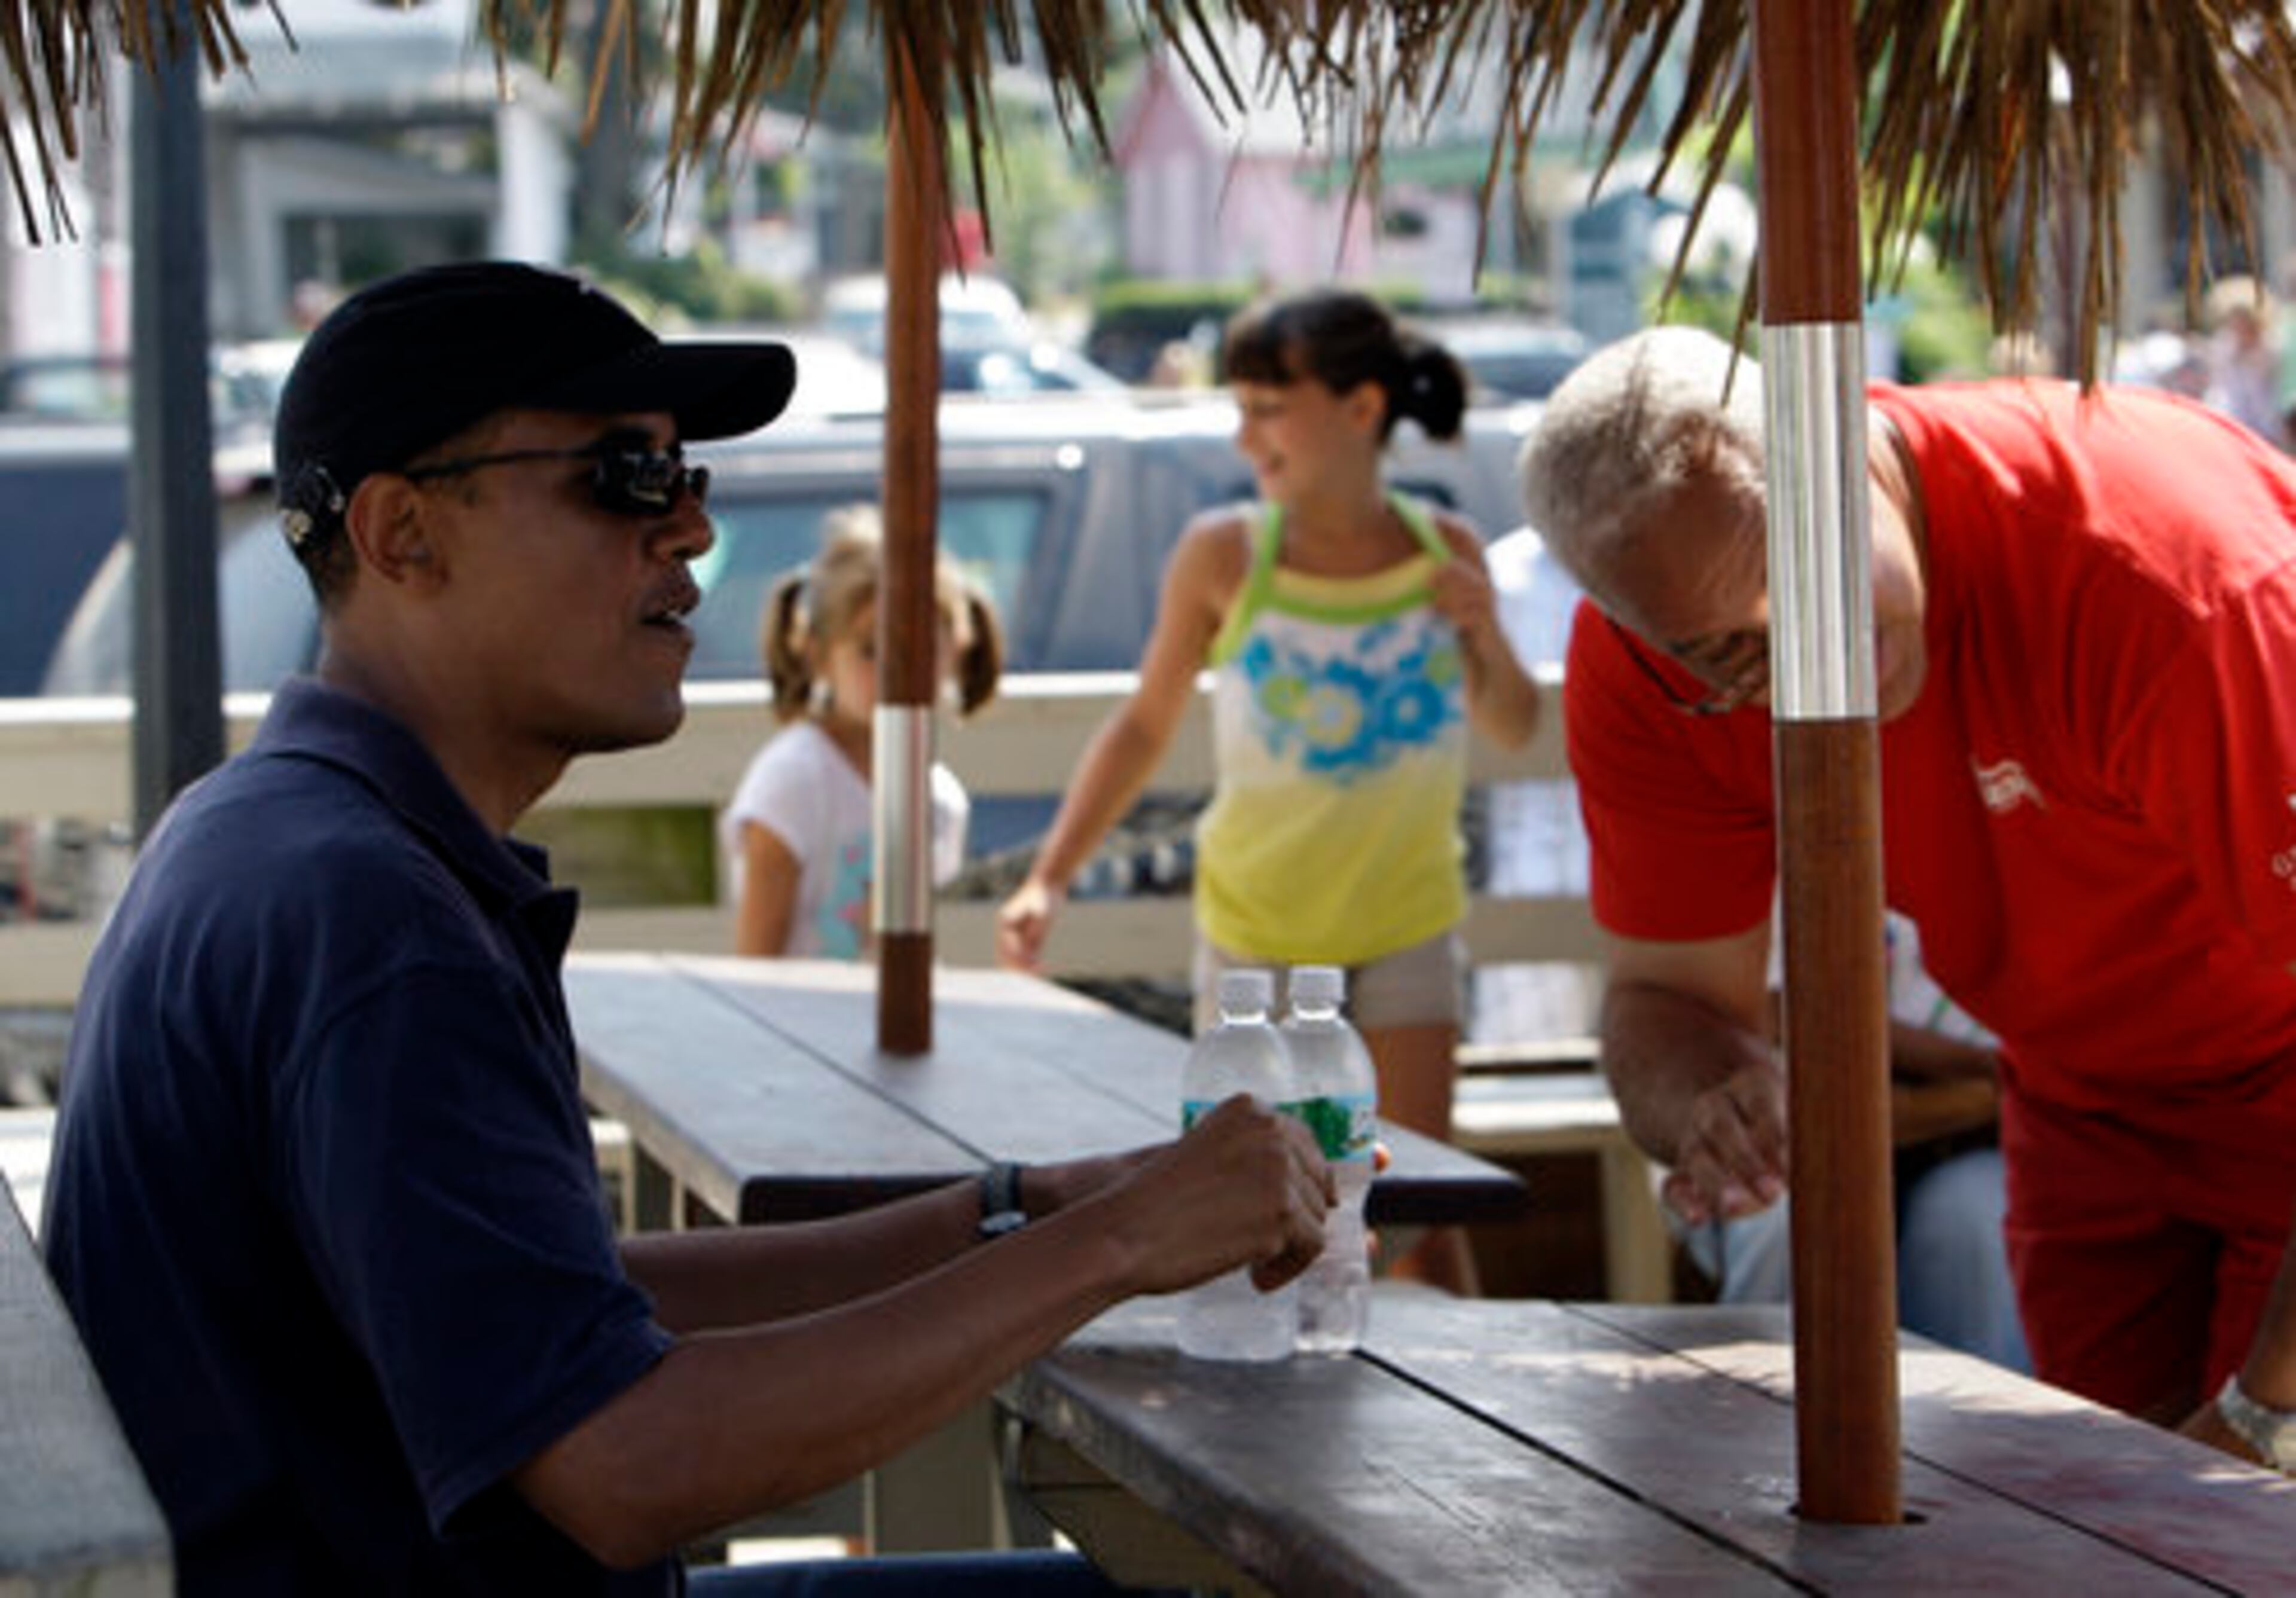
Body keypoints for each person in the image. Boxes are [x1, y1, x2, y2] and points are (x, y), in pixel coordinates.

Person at [39, 259, 1335, 1596]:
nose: (692, 532)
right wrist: (1113, 1247)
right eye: (623, 477)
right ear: (402, 534)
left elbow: (568, 1297)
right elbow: (623, 1466)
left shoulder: (281, 830)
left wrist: (1015, 1211)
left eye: (688, 478)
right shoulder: (371, 921)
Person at [1517, 322, 2296, 1471]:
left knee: (2242, 1523)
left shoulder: (2173, 580)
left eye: (1816, 581)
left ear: (1848, 448)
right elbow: (1665, 994)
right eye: (1732, 652)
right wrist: (1711, 1099)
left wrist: (2268, 1413)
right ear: (1639, 635)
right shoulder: (1642, 676)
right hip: (2079, 1095)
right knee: (2113, 1516)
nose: (1808, 663)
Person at [994, 288, 1541, 1292]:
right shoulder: (1223, 553)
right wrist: (1051, 875)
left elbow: (1514, 721)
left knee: (1413, 1201)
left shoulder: (1445, 552)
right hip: (1256, 933)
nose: (1244, 433)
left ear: (1360, 408)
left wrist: (1483, 629)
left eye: (1265, 405)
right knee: (1262, 1216)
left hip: (1407, 923)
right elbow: (1144, 723)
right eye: (1238, 405)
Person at [724, 506, 1001, 958]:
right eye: (871, 650)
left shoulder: (940, 799)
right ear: (818, 656)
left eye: (924, 647)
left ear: (958, 650)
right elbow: (757, 957)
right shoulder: (795, 779)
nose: (900, 670)